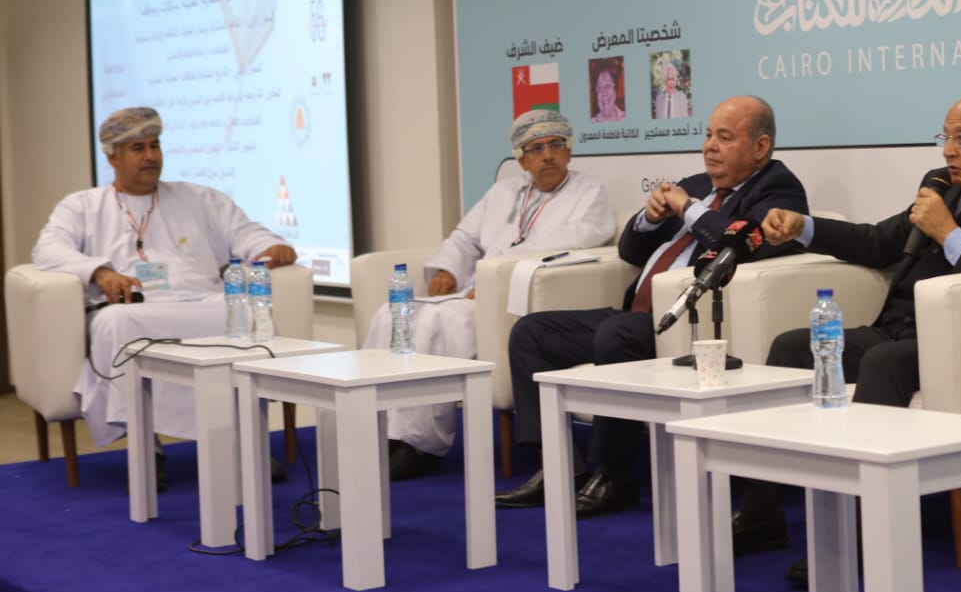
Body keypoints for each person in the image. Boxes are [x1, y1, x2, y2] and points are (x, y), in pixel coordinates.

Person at [738, 93, 961, 575]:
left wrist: (949, 234)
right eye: (946, 138)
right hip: (896, 330)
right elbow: (879, 242)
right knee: (793, 346)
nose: (948, 151)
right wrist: (804, 227)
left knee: (883, 363)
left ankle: (861, 537)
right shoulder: (944, 186)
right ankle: (762, 513)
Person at [495, 95, 808, 513]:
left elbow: (740, 245)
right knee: (531, 333)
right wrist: (650, 219)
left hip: (691, 324)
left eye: (724, 137)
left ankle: (612, 473)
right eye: (708, 135)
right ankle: (557, 465)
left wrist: (688, 209)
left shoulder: (779, 190)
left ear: (760, 146)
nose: (710, 146)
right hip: (636, 315)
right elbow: (630, 251)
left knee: (616, 335)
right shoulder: (697, 184)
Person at [31, 107, 298, 490]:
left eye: (154, 146)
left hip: (202, 303)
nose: (150, 156)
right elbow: (48, 250)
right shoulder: (82, 206)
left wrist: (270, 246)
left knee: (244, 318)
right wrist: (100, 272)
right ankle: (146, 448)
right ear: (112, 157)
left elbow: (249, 234)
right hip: (131, 309)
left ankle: (243, 441)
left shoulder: (199, 198)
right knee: (116, 324)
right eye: (137, 148)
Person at [364, 110, 613, 479]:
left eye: (556, 145)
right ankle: (384, 434)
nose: (547, 155)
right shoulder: (503, 192)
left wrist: (498, 275)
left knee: (436, 321)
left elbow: (579, 238)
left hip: (516, 297)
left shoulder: (588, 192)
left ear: (569, 151)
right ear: (521, 159)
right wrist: (447, 269)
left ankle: (420, 444)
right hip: (474, 290)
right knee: (392, 313)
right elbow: (465, 237)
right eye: (536, 148)